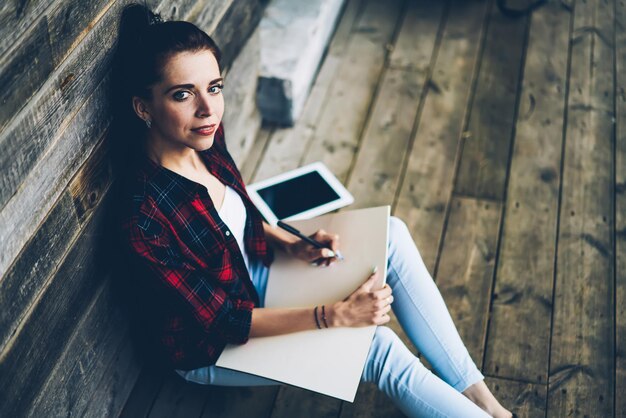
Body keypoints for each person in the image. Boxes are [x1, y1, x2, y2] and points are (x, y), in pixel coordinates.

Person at [111, 4, 514, 417]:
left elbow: (230, 221)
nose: (208, 108)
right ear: (144, 107)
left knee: (391, 231)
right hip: (213, 348)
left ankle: (484, 401)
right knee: (373, 346)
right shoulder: (144, 218)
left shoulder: (205, 137)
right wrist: (335, 316)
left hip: (257, 274)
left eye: (214, 87)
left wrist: (289, 243)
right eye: (183, 94)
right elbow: (226, 322)